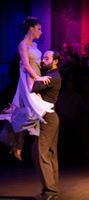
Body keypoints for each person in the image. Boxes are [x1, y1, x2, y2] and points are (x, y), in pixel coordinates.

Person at [0, 16, 53, 160]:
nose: (41, 32)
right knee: (32, 111)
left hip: (35, 79)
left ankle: (17, 144)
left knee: (29, 112)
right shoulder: (22, 45)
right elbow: (26, 65)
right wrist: (38, 78)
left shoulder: (34, 46)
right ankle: (16, 143)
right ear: (31, 28)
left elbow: (36, 64)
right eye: (39, 29)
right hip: (28, 80)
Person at [32, 50, 61, 200]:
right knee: (48, 154)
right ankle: (51, 188)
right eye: (43, 57)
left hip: (48, 119)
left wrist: (29, 70)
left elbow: (33, 87)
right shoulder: (50, 75)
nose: (43, 60)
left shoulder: (51, 77)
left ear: (55, 61)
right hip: (50, 117)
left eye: (47, 58)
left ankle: (50, 191)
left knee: (41, 153)